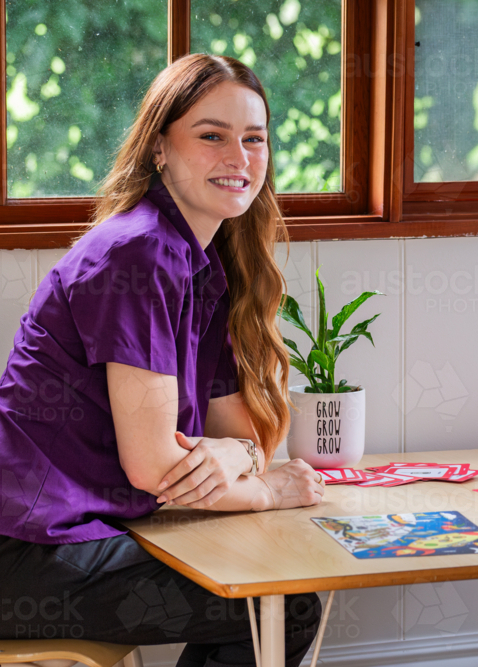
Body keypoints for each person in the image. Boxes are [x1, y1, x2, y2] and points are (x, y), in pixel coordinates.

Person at [0, 54, 326, 667]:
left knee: (271, 577)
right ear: (158, 148)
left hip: (69, 533)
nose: (239, 158)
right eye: (212, 136)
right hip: (19, 552)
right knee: (278, 600)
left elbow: (246, 437)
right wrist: (265, 491)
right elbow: (156, 467)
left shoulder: (197, 264)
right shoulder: (138, 254)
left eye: (253, 139)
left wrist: (242, 457)